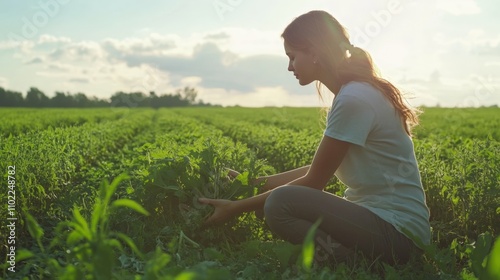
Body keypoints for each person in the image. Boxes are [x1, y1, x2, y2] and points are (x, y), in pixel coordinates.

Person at [198, 10, 431, 265]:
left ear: (315, 52)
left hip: (398, 234)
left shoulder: (354, 98)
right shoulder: (353, 93)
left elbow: (315, 181)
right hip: (385, 226)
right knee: (280, 198)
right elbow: (323, 168)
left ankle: (360, 268)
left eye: (292, 57)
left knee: (280, 203)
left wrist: (235, 208)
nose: (289, 67)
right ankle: (353, 261)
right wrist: (254, 182)